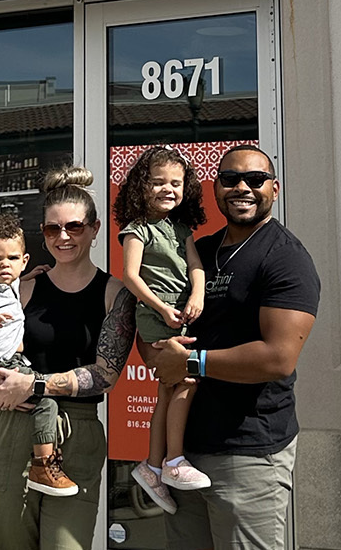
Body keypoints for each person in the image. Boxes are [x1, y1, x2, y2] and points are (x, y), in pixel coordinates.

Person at [147, 144, 320, 550]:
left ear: (274, 190)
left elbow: (278, 358)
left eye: (255, 180)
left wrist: (190, 361)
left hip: (248, 454)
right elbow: (152, 305)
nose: (242, 187)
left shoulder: (285, 259)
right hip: (183, 456)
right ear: (216, 188)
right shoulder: (200, 251)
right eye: (230, 179)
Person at [0, 166, 137, 550]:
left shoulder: (115, 294)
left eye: (74, 227)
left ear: (94, 229)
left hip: (78, 430)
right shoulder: (21, 289)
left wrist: (35, 383)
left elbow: (106, 375)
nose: (63, 237)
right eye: (51, 229)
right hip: (12, 427)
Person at [0, 212, 78, 497]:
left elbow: (14, 282)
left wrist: (30, 276)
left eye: (12, 259)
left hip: (10, 362)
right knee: (46, 402)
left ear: (24, 261)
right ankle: (43, 466)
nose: (4, 265)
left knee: (33, 400)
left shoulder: (8, 285)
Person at [114, 145, 209, 513]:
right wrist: (162, 308)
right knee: (185, 379)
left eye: (176, 182)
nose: (168, 189)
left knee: (168, 390)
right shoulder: (138, 230)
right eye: (158, 182)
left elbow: (196, 266)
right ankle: (173, 461)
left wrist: (197, 294)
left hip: (181, 315)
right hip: (157, 320)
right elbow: (131, 276)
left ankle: (153, 467)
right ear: (142, 186)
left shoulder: (181, 229)